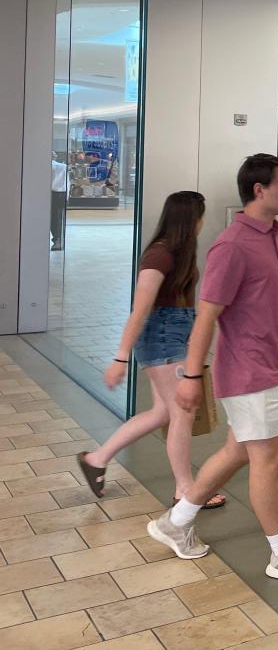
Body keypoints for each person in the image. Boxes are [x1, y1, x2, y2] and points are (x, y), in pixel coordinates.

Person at [148, 154, 278, 585]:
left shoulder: (277, 235)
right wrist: (192, 378)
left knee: (239, 450)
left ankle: (174, 523)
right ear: (260, 190)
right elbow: (207, 316)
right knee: (268, 457)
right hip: (246, 371)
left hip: (271, 365)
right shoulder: (231, 246)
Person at [76, 192, 224, 510]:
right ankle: (185, 490)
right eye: (200, 216)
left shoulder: (179, 252)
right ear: (190, 219)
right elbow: (140, 309)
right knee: (182, 414)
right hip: (162, 337)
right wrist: (120, 357)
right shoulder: (161, 255)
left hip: (176, 332)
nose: (202, 222)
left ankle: (96, 459)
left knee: (162, 413)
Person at [51, 153, 67, 250]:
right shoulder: (62, 166)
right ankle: (58, 239)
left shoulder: (58, 166)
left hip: (56, 193)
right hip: (59, 193)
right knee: (57, 218)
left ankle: (58, 239)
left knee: (55, 218)